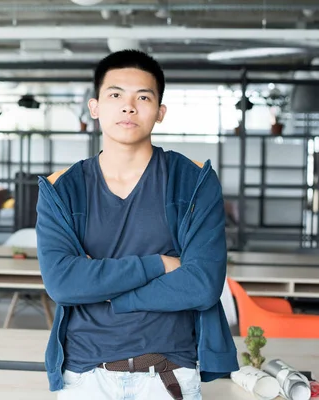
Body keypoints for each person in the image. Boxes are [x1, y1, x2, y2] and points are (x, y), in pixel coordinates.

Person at [36, 50, 238, 400]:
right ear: (95, 106)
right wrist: (159, 264)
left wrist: (103, 290)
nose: (128, 107)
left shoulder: (193, 181)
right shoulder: (61, 189)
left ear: (159, 113)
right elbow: (62, 283)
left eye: (143, 97)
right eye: (115, 95)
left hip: (168, 372)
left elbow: (202, 285)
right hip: (84, 376)